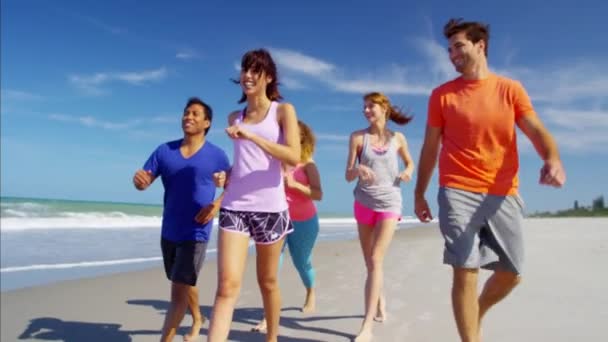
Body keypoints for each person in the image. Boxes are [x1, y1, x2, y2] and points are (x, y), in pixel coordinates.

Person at [414, 18, 567, 342]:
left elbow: (536, 130)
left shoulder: (510, 89)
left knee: (512, 273)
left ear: (480, 45)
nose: (452, 54)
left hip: (502, 191)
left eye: (459, 46)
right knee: (465, 269)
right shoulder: (442, 95)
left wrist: (551, 158)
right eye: (449, 49)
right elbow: (430, 147)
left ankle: (477, 311)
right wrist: (420, 192)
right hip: (456, 188)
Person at [206, 48, 300, 342]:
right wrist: (227, 176)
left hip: (270, 209)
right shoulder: (236, 116)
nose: (247, 75)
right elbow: (245, 162)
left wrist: (253, 135)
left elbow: (293, 157)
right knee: (226, 287)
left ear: (268, 77)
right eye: (245, 69)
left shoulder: (283, 111)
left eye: (255, 70)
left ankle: (271, 338)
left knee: (268, 282)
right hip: (234, 206)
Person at [132, 97, 230, 342]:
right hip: (170, 230)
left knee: (177, 293)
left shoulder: (217, 155)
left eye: (196, 114)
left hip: (197, 230)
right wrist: (139, 182)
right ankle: (197, 317)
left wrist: (216, 205)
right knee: (182, 281)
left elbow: (233, 186)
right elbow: (144, 181)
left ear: (207, 122)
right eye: (186, 113)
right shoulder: (164, 151)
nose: (189, 117)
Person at [345, 91, 415, 342]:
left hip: (390, 202)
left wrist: (407, 171)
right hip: (364, 202)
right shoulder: (357, 138)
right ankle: (380, 298)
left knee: (376, 258)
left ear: (384, 108)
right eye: (364, 107)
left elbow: (410, 163)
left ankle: (366, 327)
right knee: (371, 263)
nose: (366, 110)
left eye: (371, 106)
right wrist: (358, 169)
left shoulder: (398, 138)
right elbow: (348, 174)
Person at [251, 120, 323, 333]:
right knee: (270, 271)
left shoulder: (308, 164)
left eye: (295, 132)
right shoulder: (274, 160)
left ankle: (310, 292)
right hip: (275, 220)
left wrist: (296, 186)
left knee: (302, 263)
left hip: (304, 222)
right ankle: (268, 317)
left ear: (302, 137)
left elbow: (318, 194)